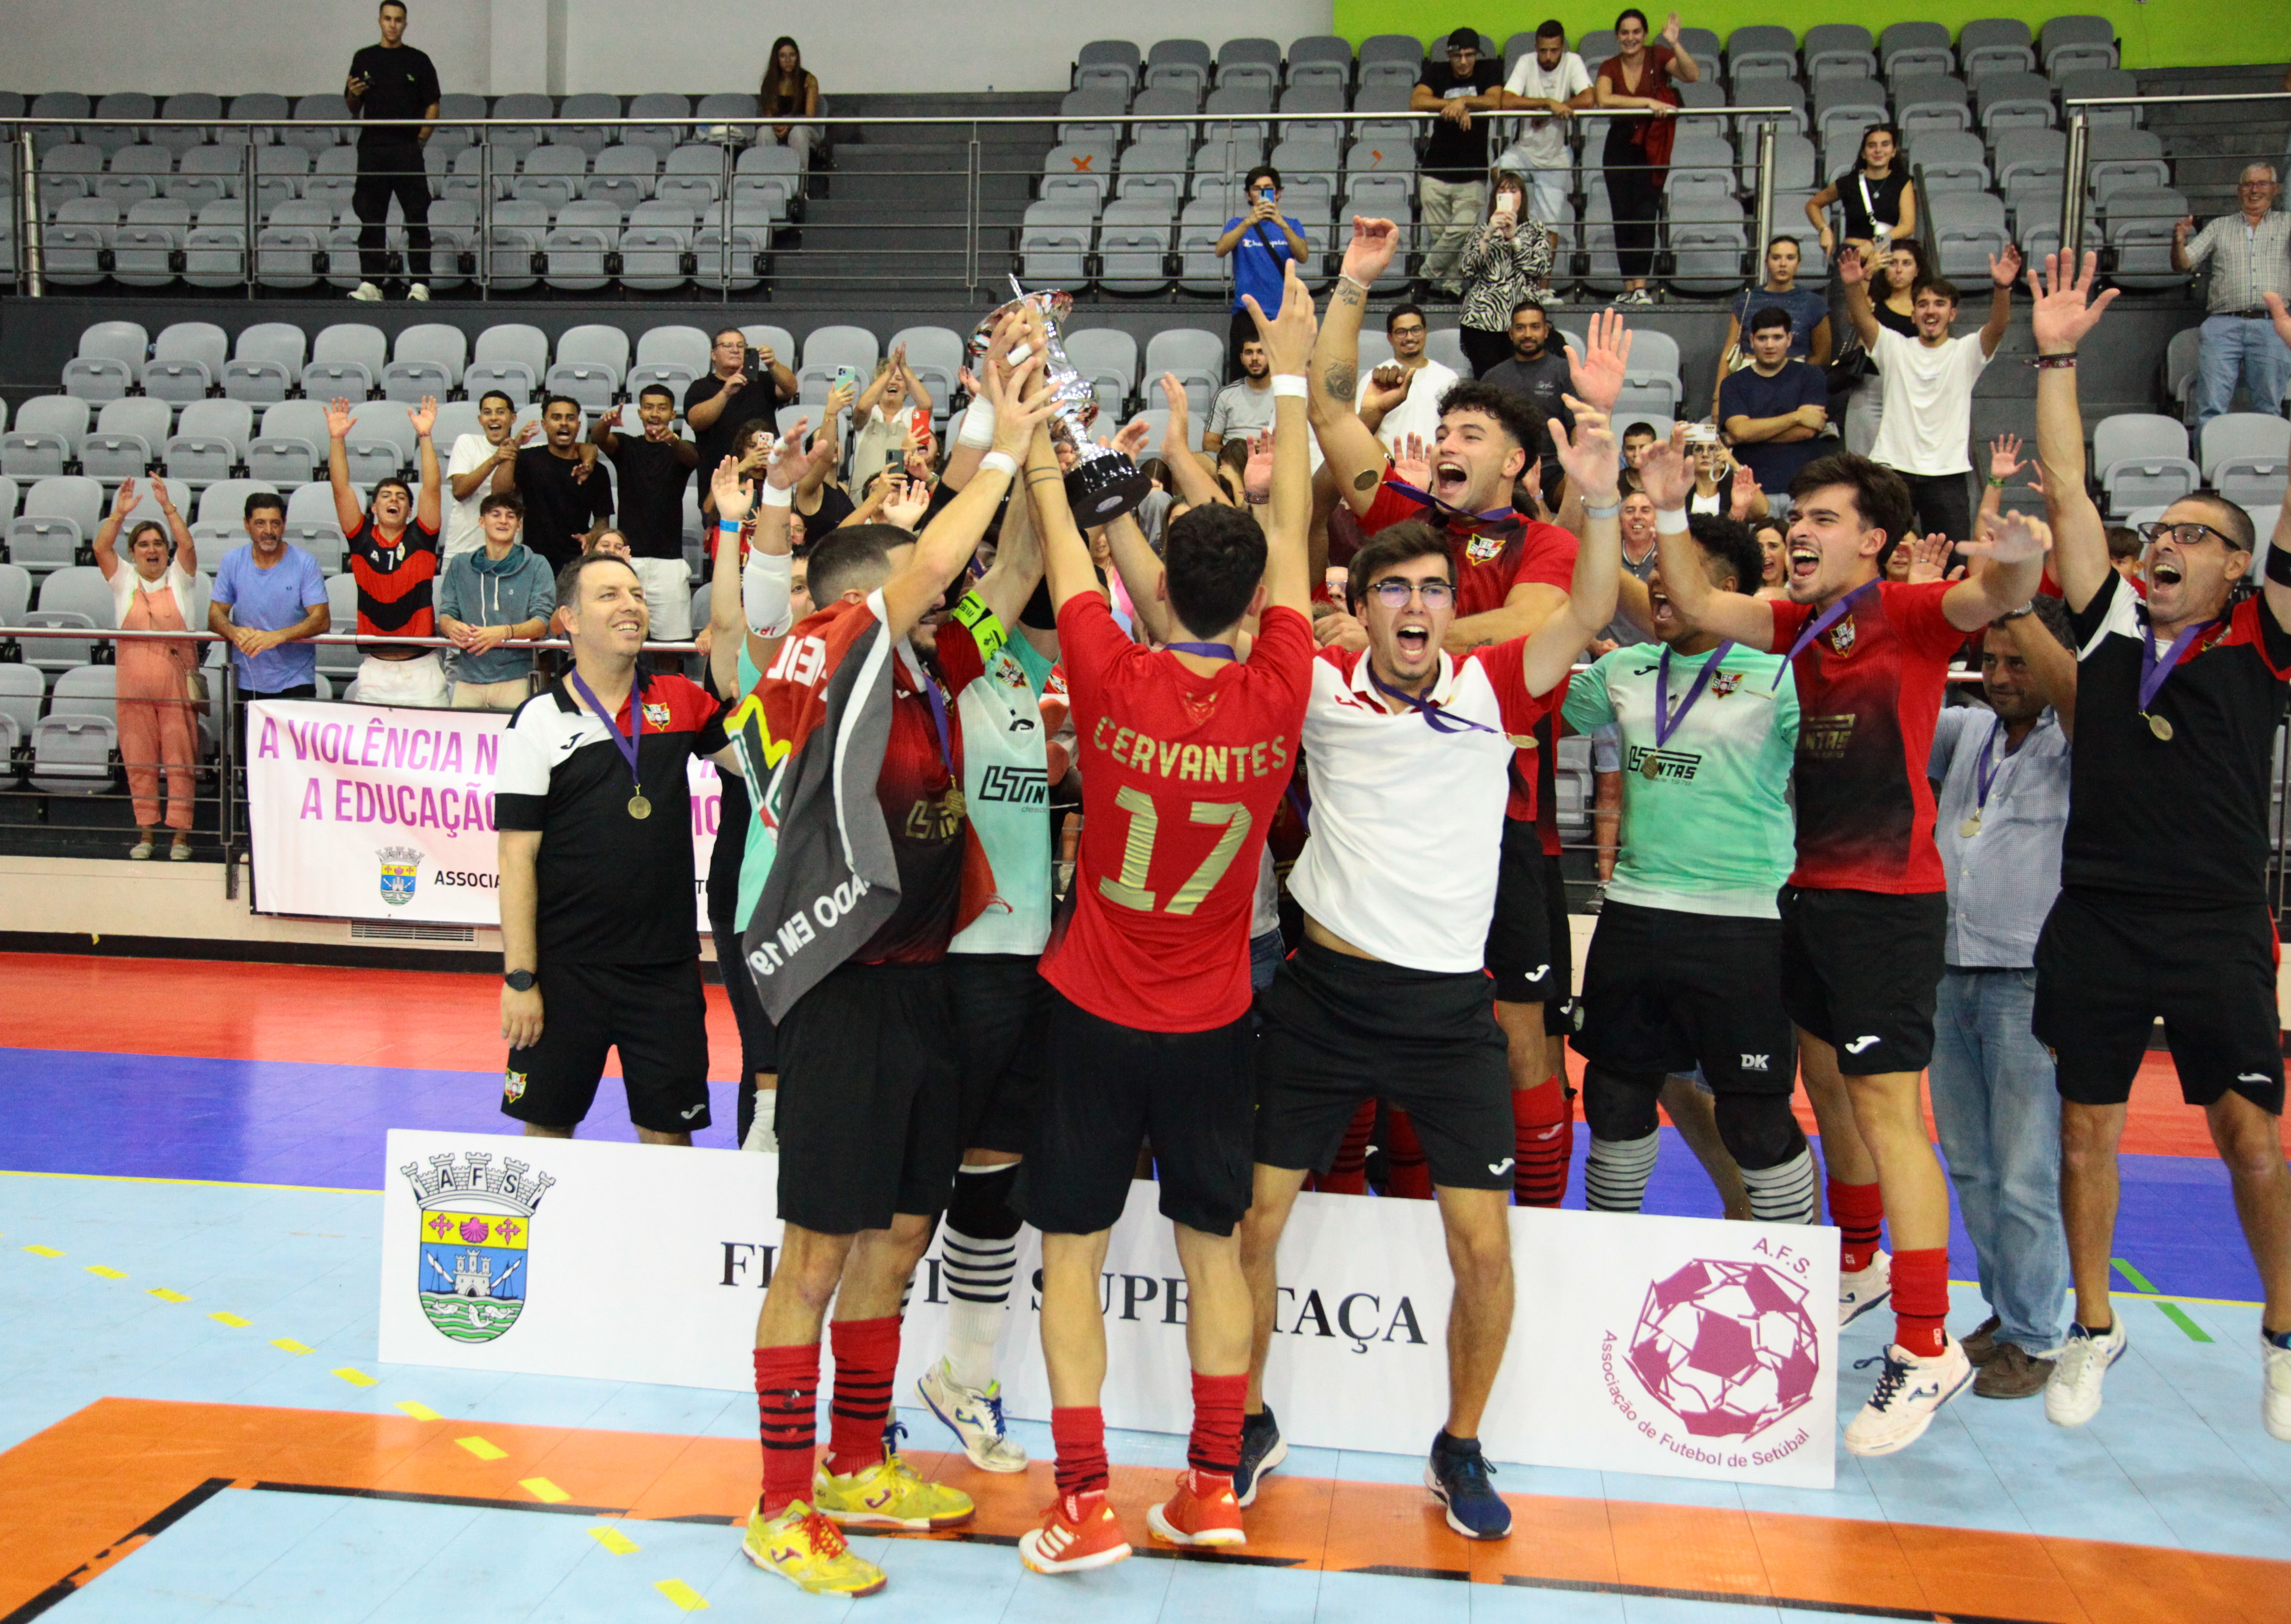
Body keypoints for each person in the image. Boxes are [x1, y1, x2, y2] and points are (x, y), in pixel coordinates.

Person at [1239, 404, 1621, 1532]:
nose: (1415, 608)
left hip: (1447, 1009)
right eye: (1392, 591)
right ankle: (1247, 1417)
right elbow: (1264, 588)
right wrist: (1290, 431)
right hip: (1323, 995)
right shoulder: (1316, 685)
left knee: (1483, 1245)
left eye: (1432, 591)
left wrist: (1596, 493)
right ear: (1356, 611)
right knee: (1254, 1224)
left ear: (1457, 609)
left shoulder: (1490, 687)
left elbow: (1591, 605)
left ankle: (1459, 1444)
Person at [728, 337, 1052, 1598]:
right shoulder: (830, 654)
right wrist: (996, 442)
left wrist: (1039, 447)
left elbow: (1010, 570)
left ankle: (858, 1464)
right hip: (843, 991)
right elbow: (932, 564)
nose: (954, 592)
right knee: (815, 1256)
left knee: (899, 1236)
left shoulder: (920, 671)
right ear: (869, 600)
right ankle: (777, 1501)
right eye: (931, 587)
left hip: (926, 979)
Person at [1651, 439, 2050, 1456]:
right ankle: (1861, 1263)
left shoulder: (1910, 614)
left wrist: (2010, 560)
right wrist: (1663, 509)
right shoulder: (1799, 624)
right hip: (1812, 892)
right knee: (1822, 1087)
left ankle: (1925, 1347)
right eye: (1796, 516)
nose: (1799, 530)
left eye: (1822, 519)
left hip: (1886, 903)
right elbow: (1697, 605)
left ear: (1873, 541)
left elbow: (1983, 597)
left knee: (1887, 1114)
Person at [1013, 265, 1315, 1574]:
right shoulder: (1278, 690)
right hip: (1212, 1021)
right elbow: (1292, 533)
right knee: (1214, 1257)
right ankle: (1210, 1487)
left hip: (1088, 1009)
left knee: (1069, 1258)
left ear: (1160, 588)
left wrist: (1030, 408)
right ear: (1253, 605)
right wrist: (1289, 381)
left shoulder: (1109, 666)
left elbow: (1061, 527)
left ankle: (1081, 1503)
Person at [2023, 253, 2291, 1442]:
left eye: (2198, 533)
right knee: (2084, 1130)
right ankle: (2093, 1329)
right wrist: (2056, 355)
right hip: (2099, 919)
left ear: (2236, 567)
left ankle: (2282, 1338)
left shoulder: (2262, 655)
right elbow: (2072, 492)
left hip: (2218, 928)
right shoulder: (2108, 642)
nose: (2166, 541)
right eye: (2163, 528)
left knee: (2250, 1145)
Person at [1312, 221, 1625, 1208]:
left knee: (1520, 1032)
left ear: (1515, 466)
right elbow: (1325, 411)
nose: (1445, 443)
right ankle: (1397, 1211)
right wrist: (1354, 286)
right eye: (1442, 431)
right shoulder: (1408, 523)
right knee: (1387, 1023)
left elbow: (1540, 625)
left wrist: (1391, 626)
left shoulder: (1537, 544)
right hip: (1383, 823)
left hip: (1504, 828)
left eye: (1469, 436)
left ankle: (1536, 1222)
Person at [1564, 513, 1816, 1229]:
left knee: (1755, 1120)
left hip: (1747, 924)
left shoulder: (1785, 676)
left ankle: (1788, 1269)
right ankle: (1609, 1255)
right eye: (1650, 575)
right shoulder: (1621, 670)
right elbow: (1532, 706)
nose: (1656, 587)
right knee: (1613, 1099)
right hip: (1636, 914)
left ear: (1727, 589)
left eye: (1674, 572)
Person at [495, 548, 734, 1149]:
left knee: (669, 1140)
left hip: (664, 972)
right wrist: (521, 979)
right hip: (565, 970)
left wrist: (739, 635)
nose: (630, 605)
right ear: (568, 620)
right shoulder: (538, 721)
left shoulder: (681, 699)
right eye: (609, 595)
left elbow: (757, 763)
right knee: (546, 1133)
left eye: (636, 595)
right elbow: (516, 856)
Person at [1927, 592, 2077, 1401]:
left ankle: (2037, 1334)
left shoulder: (2079, 739)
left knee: (2023, 1169)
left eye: (2017, 661)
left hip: (2027, 975)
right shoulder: (1967, 729)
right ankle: (2004, 1310)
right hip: (1948, 969)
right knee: (1974, 1166)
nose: (1998, 676)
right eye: (1988, 660)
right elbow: (1903, 712)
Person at [1841, 243, 2021, 545]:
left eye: (1939, 304)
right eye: (1923, 304)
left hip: (1947, 475)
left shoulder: (1966, 352)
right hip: (1892, 471)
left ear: (1952, 314)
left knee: (1954, 562)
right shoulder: (1894, 347)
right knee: (1879, 556)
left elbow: (1998, 326)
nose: (1930, 311)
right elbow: (1863, 319)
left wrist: (2003, 287)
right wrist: (1852, 285)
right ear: (1913, 314)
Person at [92, 479, 200, 860]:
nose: (152, 549)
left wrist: (169, 507)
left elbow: (187, 546)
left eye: (157, 544)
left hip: (175, 688)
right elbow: (100, 546)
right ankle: (146, 835)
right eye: (144, 544)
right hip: (133, 689)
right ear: (133, 553)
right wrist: (119, 513)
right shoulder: (124, 581)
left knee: (180, 761)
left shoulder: (180, 580)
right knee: (139, 761)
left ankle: (181, 838)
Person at [327, 395, 446, 707]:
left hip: (421, 670)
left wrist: (425, 436)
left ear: (409, 510)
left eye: (401, 497)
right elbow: (341, 489)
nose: (393, 500)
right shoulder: (361, 537)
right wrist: (337, 440)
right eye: (385, 495)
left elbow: (432, 488)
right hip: (376, 670)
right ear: (374, 507)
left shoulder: (422, 537)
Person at [2172, 163, 2291, 432]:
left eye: (2262, 184)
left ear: (2275, 189)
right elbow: (2184, 264)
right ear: (2239, 190)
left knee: (2270, 407)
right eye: (2248, 184)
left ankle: (2267, 470)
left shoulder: (2288, 223)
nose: (2255, 190)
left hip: (2272, 325)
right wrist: (2178, 240)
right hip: (2223, 325)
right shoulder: (2219, 227)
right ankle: (2208, 472)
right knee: (2210, 408)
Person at [209, 491, 331, 753]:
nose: (269, 531)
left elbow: (321, 620)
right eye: (260, 523)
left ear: (284, 526)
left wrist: (277, 636)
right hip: (247, 681)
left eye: (275, 524)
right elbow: (215, 615)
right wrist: (233, 632)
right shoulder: (233, 561)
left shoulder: (304, 563)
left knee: (294, 765)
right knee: (249, 765)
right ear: (247, 525)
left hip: (295, 681)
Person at [1594, 9, 1699, 306]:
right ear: (1618, 36)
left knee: (1645, 214)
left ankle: (1641, 286)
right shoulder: (1609, 65)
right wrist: (1647, 102)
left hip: (1652, 145)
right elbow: (1604, 99)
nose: (1631, 38)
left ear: (1644, 33)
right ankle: (1628, 287)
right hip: (1619, 145)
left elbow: (1692, 75)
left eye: (1636, 32)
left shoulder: (1659, 55)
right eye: (1625, 33)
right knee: (1622, 217)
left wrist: (1675, 43)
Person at [343, 0, 437, 304]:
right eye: (388, 19)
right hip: (372, 148)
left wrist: (420, 140)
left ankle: (420, 283)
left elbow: (433, 104)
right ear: (380, 21)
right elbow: (353, 105)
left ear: (405, 24)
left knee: (417, 216)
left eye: (398, 20)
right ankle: (371, 282)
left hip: (406, 149)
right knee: (370, 217)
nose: (393, 25)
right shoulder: (364, 57)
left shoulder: (419, 60)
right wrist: (353, 96)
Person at [592, 386, 700, 639]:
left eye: (662, 408)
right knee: (623, 638)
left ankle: (667, 682)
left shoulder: (682, 448)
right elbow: (599, 439)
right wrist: (605, 423)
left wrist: (672, 439)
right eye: (649, 407)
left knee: (671, 644)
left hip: (669, 561)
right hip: (628, 559)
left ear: (673, 414)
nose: (655, 413)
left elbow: (693, 460)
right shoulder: (627, 445)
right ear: (640, 413)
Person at [436, 490, 554, 710]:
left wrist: (505, 632)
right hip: (468, 678)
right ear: (482, 522)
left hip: (517, 678)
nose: (503, 521)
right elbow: (446, 613)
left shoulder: (537, 564)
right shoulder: (460, 565)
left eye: (511, 516)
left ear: (519, 525)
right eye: (496, 514)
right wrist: (451, 626)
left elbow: (542, 624)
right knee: (462, 743)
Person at [1413, 29, 1507, 298]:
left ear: (1477, 55)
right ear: (1449, 56)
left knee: (1461, 233)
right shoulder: (1437, 71)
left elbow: (1495, 101)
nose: (1464, 62)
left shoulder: (1489, 69)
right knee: (1445, 237)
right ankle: (1452, 289)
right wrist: (1452, 106)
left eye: (1469, 55)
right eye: (1458, 56)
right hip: (1436, 171)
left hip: (1472, 172)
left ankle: (1424, 276)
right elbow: (1417, 101)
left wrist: (1463, 101)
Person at [1493, 20, 1594, 230]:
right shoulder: (1526, 62)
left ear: (1563, 48)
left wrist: (1549, 115)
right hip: (1524, 151)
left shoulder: (1572, 61)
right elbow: (1507, 101)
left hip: (1555, 157)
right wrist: (1548, 104)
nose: (1548, 57)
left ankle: (1544, 264)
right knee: (1498, 172)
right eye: (1543, 51)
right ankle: (1512, 237)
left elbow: (1588, 99)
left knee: (1549, 228)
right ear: (1535, 48)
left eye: (1554, 51)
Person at [1720, 305, 1832, 494]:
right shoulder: (1733, 384)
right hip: (1751, 490)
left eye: (1777, 338)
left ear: (1789, 340)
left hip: (1804, 487)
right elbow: (1739, 431)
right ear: (1752, 341)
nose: (1770, 345)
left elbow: (1806, 431)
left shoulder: (1812, 375)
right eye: (1763, 338)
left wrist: (1747, 437)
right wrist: (1796, 417)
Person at [1715, 236, 1833, 411]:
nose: (1783, 264)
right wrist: (1718, 400)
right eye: (1776, 258)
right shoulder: (1746, 301)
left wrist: (1795, 381)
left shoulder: (1814, 303)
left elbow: (1822, 356)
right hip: (1749, 381)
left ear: (1798, 264)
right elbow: (1728, 352)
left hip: (1795, 383)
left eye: (1790, 258)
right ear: (1767, 262)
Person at [1457, 172, 1555, 378]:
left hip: (1522, 322)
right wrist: (1489, 233)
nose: (1508, 195)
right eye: (1502, 191)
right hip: (1481, 320)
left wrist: (1514, 238)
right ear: (1494, 198)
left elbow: (1540, 268)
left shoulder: (1536, 229)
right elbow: (1467, 269)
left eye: (1513, 191)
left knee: (1522, 384)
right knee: (1489, 385)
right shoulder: (1480, 231)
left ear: (1522, 197)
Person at [499, 396, 613, 573]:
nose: (564, 423)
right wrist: (514, 447)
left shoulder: (597, 471)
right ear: (545, 425)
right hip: (532, 562)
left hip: (577, 564)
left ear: (579, 425)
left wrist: (593, 536)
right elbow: (500, 493)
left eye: (570, 418)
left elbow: (602, 520)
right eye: (556, 417)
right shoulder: (527, 459)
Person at [688, 328, 796, 511]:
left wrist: (772, 364)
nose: (735, 350)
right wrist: (725, 393)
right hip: (720, 481)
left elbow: (790, 389)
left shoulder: (761, 381)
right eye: (727, 345)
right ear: (714, 354)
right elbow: (696, 421)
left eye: (741, 346)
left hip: (765, 481)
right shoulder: (701, 387)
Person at [1215, 164, 1308, 372]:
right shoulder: (1237, 224)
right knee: (1242, 376)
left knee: (1284, 376)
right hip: (1246, 315)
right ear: (1249, 196)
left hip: (1283, 314)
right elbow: (1220, 250)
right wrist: (1249, 222)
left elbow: (1303, 256)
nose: (1262, 193)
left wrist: (1281, 223)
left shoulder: (1292, 224)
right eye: (1257, 189)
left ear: (1278, 194)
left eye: (1268, 188)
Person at [1844, 239, 1931, 458]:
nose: (1899, 270)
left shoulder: (1925, 307)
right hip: (1871, 384)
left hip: (1910, 386)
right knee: (1862, 459)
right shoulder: (1874, 300)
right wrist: (1867, 274)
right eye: (1893, 263)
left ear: (1918, 270)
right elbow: (1854, 317)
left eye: (1907, 263)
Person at [1480, 298, 1574, 469]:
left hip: (1555, 466)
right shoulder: (1492, 377)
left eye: (1535, 327)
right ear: (1511, 334)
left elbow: (1577, 426)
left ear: (1546, 331)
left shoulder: (1565, 371)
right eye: (1520, 328)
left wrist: (1576, 469)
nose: (1528, 334)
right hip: (1506, 466)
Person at [1808, 124, 1915, 268]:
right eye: (1872, 146)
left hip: (1884, 254)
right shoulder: (1848, 182)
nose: (1878, 150)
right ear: (1864, 153)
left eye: (1885, 145)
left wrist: (1873, 244)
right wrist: (1824, 230)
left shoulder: (1902, 181)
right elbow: (1813, 205)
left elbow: (1908, 227)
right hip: (1852, 254)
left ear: (1894, 152)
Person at [1357, 304, 1460, 451]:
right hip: (1391, 470)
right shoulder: (1375, 380)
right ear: (1390, 338)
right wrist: (1391, 468)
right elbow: (1364, 433)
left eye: (1416, 330)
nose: (1410, 337)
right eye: (1401, 332)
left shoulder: (1449, 378)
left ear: (1425, 332)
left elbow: (1456, 429)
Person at [444, 391, 521, 560]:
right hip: (462, 550)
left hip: (506, 554)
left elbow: (501, 494)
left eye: (500, 412)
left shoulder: (523, 450)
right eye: (487, 413)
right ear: (480, 420)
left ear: (513, 418)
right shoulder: (467, 442)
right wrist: (495, 459)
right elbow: (460, 492)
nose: (494, 417)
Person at [1204, 333, 1276, 456]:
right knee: (1199, 459)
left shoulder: (1284, 396)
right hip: (1232, 461)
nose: (1255, 358)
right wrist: (1239, 452)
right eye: (1249, 353)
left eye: (1261, 352)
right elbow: (1209, 444)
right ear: (1242, 358)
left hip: (1272, 460)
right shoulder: (1225, 395)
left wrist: (1272, 448)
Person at [759, 36, 821, 177]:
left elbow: (810, 117)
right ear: (777, 59)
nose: (788, 60)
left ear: (797, 57)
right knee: (764, 133)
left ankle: (800, 184)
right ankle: (767, 181)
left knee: (798, 132)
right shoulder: (769, 82)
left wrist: (791, 124)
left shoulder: (809, 80)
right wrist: (777, 126)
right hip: (778, 127)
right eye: (783, 56)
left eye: (792, 55)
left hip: (805, 127)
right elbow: (768, 116)